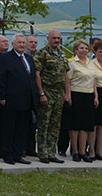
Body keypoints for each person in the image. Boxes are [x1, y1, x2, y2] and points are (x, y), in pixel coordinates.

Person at [0, 33, 37, 165]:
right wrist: (1, 97)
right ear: (13, 44)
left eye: (23, 43)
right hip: (10, 99)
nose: (21, 45)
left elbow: (31, 78)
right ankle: (7, 154)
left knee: (22, 128)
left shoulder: (29, 58)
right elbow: (1, 79)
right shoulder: (5, 58)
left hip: (26, 100)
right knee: (9, 128)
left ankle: (18, 153)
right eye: (19, 43)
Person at [33, 29, 70, 164]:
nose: (56, 40)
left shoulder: (62, 54)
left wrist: (67, 93)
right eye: (54, 38)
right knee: (44, 124)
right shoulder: (42, 53)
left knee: (55, 125)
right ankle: (43, 153)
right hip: (46, 92)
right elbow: (37, 74)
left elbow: (66, 75)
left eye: (58, 38)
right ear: (48, 39)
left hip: (59, 93)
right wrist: (41, 93)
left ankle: (51, 152)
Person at [65, 40, 97, 162]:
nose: (84, 50)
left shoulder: (91, 63)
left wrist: (96, 95)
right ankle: (75, 151)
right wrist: (68, 95)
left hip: (88, 94)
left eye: (85, 48)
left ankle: (83, 151)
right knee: (75, 125)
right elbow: (67, 80)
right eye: (81, 48)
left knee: (85, 125)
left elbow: (94, 80)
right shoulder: (71, 63)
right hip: (76, 94)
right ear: (76, 50)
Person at [24, 35, 39, 157]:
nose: (33, 44)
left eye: (35, 42)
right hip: (25, 94)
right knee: (25, 122)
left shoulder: (39, 55)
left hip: (36, 94)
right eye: (30, 42)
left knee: (34, 123)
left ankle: (31, 148)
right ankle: (22, 148)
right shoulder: (23, 56)